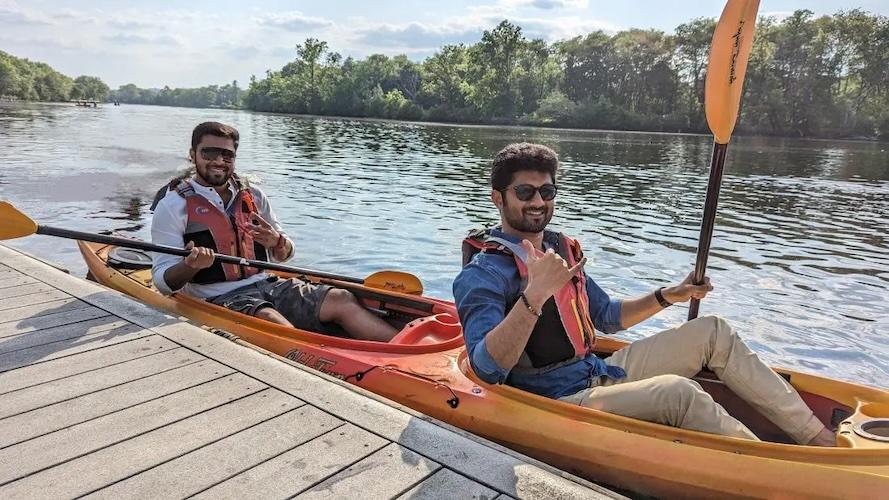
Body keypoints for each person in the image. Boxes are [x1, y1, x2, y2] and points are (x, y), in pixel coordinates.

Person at [453, 142, 835, 446]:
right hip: (554, 400)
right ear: (498, 198)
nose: (538, 201)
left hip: (599, 373)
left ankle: (818, 439)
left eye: (546, 190)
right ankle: (773, 469)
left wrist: (673, 294)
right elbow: (486, 368)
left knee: (712, 331)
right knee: (679, 393)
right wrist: (534, 295)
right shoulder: (484, 274)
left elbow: (605, 315)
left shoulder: (560, 251)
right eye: (525, 191)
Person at [150, 121, 397, 342]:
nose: (218, 161)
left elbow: (285, 255)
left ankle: (407, 357)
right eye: (209, 152)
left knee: (342, 299)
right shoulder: (173, 206)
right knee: (272, 320)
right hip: (217, 298)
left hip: (269, 284)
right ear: (193, 155)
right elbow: (163, 282)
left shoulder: (254, 196)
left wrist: (277, 241)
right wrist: (191, 266)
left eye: (227, 155)